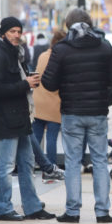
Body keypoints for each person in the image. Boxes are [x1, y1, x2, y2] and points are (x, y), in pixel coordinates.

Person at [41, 9, 112, 223]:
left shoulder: (62, 50)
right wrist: (105, 99)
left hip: (72, 112)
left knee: (73, 161)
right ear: (90, 24)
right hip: (98, 113)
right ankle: (103, 211)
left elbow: (48, 82)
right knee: (100, 161)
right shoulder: (104, 47)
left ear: (68, 25)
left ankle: (73, 211)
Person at [0, 17, 56, 222]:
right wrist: (25, 84)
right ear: (3, 33)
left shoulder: (17, 54)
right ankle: (4, 209)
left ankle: (33, 207)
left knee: (27, 163)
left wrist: (29, 82)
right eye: (12, 32)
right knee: (6, 165)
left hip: (21, 117)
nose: (16, 35)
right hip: (6, 119)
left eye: (18, 31)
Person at [31, 29, 65, 183]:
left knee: (36, 137)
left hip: (38, 99)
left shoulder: (43, 55)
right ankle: (50, 169)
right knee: (51, 137)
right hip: (54, 100)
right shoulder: (62, 57)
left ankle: (30, 166)